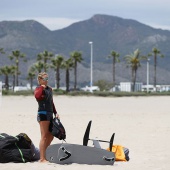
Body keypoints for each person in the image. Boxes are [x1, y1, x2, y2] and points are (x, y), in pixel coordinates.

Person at [34, 72, 59, 163]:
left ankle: (45, 154)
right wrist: (41, 88)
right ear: (40, 80)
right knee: (44, 136)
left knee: (51, 135)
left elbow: (51, 102)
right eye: (44, 79)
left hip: (50, 113)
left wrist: (56, 112)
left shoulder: (50, 89)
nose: (46, 81)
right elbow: (37, 97)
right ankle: (42, 158)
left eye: (47, 79)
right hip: (43, 113)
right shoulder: (38, 89)